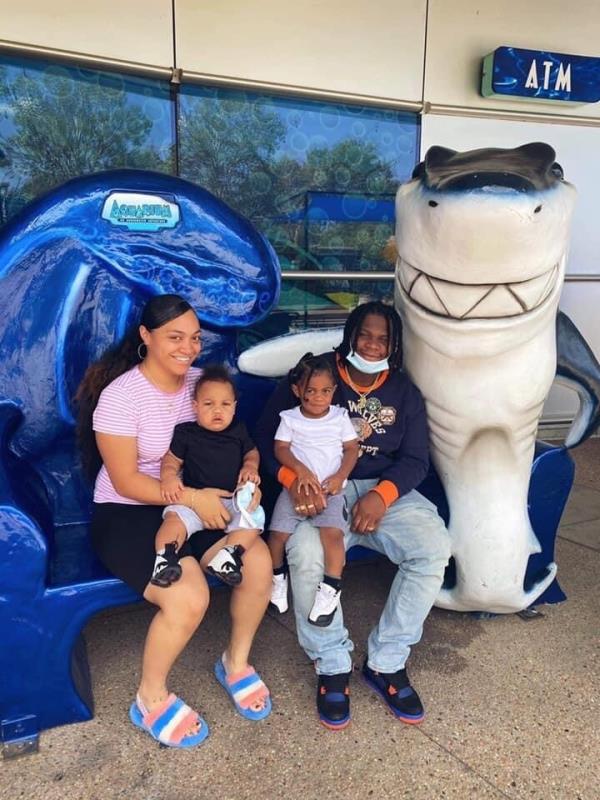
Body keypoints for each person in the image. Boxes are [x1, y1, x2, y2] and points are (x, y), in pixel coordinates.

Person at [77, 294, 272, 749]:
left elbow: (235, 446)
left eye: (195, 338)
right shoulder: (121, 396)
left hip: (197, 501)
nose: (188, 348)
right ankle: (149, 698)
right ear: (146, 336)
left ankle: (235, 663)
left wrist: (249, 484)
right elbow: (125, 481)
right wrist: (194, 498)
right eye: (175, 337)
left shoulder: (204, 386)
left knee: (258, 563)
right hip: (127, 510)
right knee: (188, 596)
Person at [254, 300, 450, 731]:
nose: (372, 345)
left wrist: (382, 495)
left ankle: (386, 661)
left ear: (394, 345)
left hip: (383, 492)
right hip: (319, 490)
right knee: (307, 554)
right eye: (365, 335)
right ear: (350, 336)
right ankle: (331, 662)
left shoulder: (403, 390)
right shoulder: (315, 375)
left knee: (433, 547)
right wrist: (292, 480)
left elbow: (416, 458)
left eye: (383, 339)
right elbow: (268, 440)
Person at [152, 364, 265, 589]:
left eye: (225, 404)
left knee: (254, 516)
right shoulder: (186, 432)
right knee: (174, 519)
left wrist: (250, 467)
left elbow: (252, 452)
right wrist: (169, 477)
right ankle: (165, 558)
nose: (217, 411)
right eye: (208, 404)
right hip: (193, 501)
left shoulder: (238, 431)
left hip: (230, 500)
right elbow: (171, 459)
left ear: (234, 406)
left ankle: (228, 556)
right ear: (195, 406)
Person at [268, 353, 359, 626]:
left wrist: (340, 476)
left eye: (325, 391)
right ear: (297, 391)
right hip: (296, 489)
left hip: (331, 490)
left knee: (333, 536)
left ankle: (331, 587)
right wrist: (301, 471)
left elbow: (351, 449)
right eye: (311, 391)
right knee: (277, 535)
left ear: (334, 391)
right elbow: (280, 448)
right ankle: (277, 578)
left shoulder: (339, 417)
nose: (319, 397)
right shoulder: (290, 418)